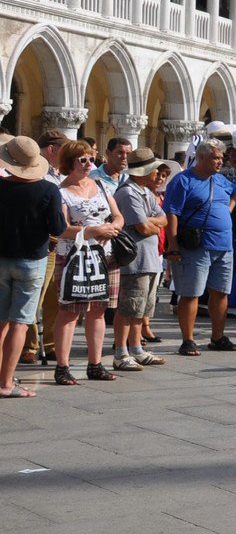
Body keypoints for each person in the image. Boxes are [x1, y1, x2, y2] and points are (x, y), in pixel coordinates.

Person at [52, 139, 126, 385]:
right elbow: (61, 228)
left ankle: (95, 364)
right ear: (70, 162)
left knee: (99, 310)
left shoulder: (101, 186)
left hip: (104, 255)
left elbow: (117, 216)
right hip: (74, 256)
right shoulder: (60, 192)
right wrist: (94, 230)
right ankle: (62, 366)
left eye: (91, 159)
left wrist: (114, 227)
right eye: (82, 160)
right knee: (70, 311)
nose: (88, 164)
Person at [162, 138, 236, 356]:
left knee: (221, 292)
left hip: (224, 245)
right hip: (196, 246)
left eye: (221, 158)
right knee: (190, 293)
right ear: (202, 157)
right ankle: (188, 340)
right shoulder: (183, 181)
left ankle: (218, 337)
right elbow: (172, 213)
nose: (220, 162)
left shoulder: (222, 180)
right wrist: (174, 246)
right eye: (216, 157)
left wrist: (227, 210)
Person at [0, 137, 65, 398]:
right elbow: (58, 228)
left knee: (1, 321)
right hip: (31, 261)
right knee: (20, 323)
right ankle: (6, 384)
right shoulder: (48, 190)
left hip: (1, 258)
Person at [111, 149, 169, 372]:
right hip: (135, 261)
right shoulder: (128, 193)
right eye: (153, 169)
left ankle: (136, 349)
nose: (157, 173)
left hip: (150, 259)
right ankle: (121, 352)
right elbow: (143, 227)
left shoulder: (144, 192)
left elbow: (162, 219)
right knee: (128, 307)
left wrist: (151, 224)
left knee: (141, 308)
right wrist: (152, 225)